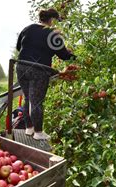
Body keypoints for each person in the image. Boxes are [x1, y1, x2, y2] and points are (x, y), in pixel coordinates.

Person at [16, 8, 77, 140]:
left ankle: (29, 128)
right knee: (37, 101)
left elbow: (19, 47)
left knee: (28, 98)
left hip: (21, 66)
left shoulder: (27, 28)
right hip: (38, 70)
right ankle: (38, 133)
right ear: (52, 20)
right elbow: (64, 55)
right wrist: (75, 56)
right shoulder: (52, 34)